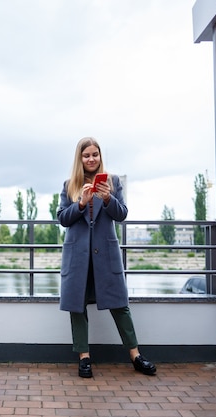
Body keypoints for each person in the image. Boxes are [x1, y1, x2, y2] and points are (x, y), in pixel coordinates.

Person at [56, 136, 156, 378]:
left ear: (100, 157)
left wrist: (108, 198)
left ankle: (135, 355)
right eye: (86, 155)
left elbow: (121, 214)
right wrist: (81, 203)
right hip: (78, 257)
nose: (91, 159)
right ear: (80, 159)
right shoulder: (70, 184)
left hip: (105, 255)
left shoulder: (112, 182)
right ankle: (84, 357)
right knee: (77, 307)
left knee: (120, 305)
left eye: (95, 154)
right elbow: (61, 218)